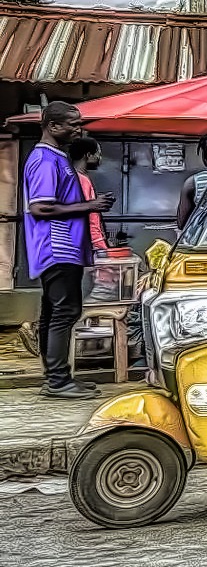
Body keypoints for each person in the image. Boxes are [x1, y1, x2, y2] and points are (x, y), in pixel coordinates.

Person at [25, 102, 113, 398]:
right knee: (66, 311)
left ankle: (57, 377)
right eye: (72, 124)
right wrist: (90, 206)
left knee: (55, 312)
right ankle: (58, 381)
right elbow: (39, 207)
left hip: (62, 248)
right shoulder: (45, 160)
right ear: (53, 126)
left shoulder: (56, 157)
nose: (78, 129)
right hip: (57, 246)